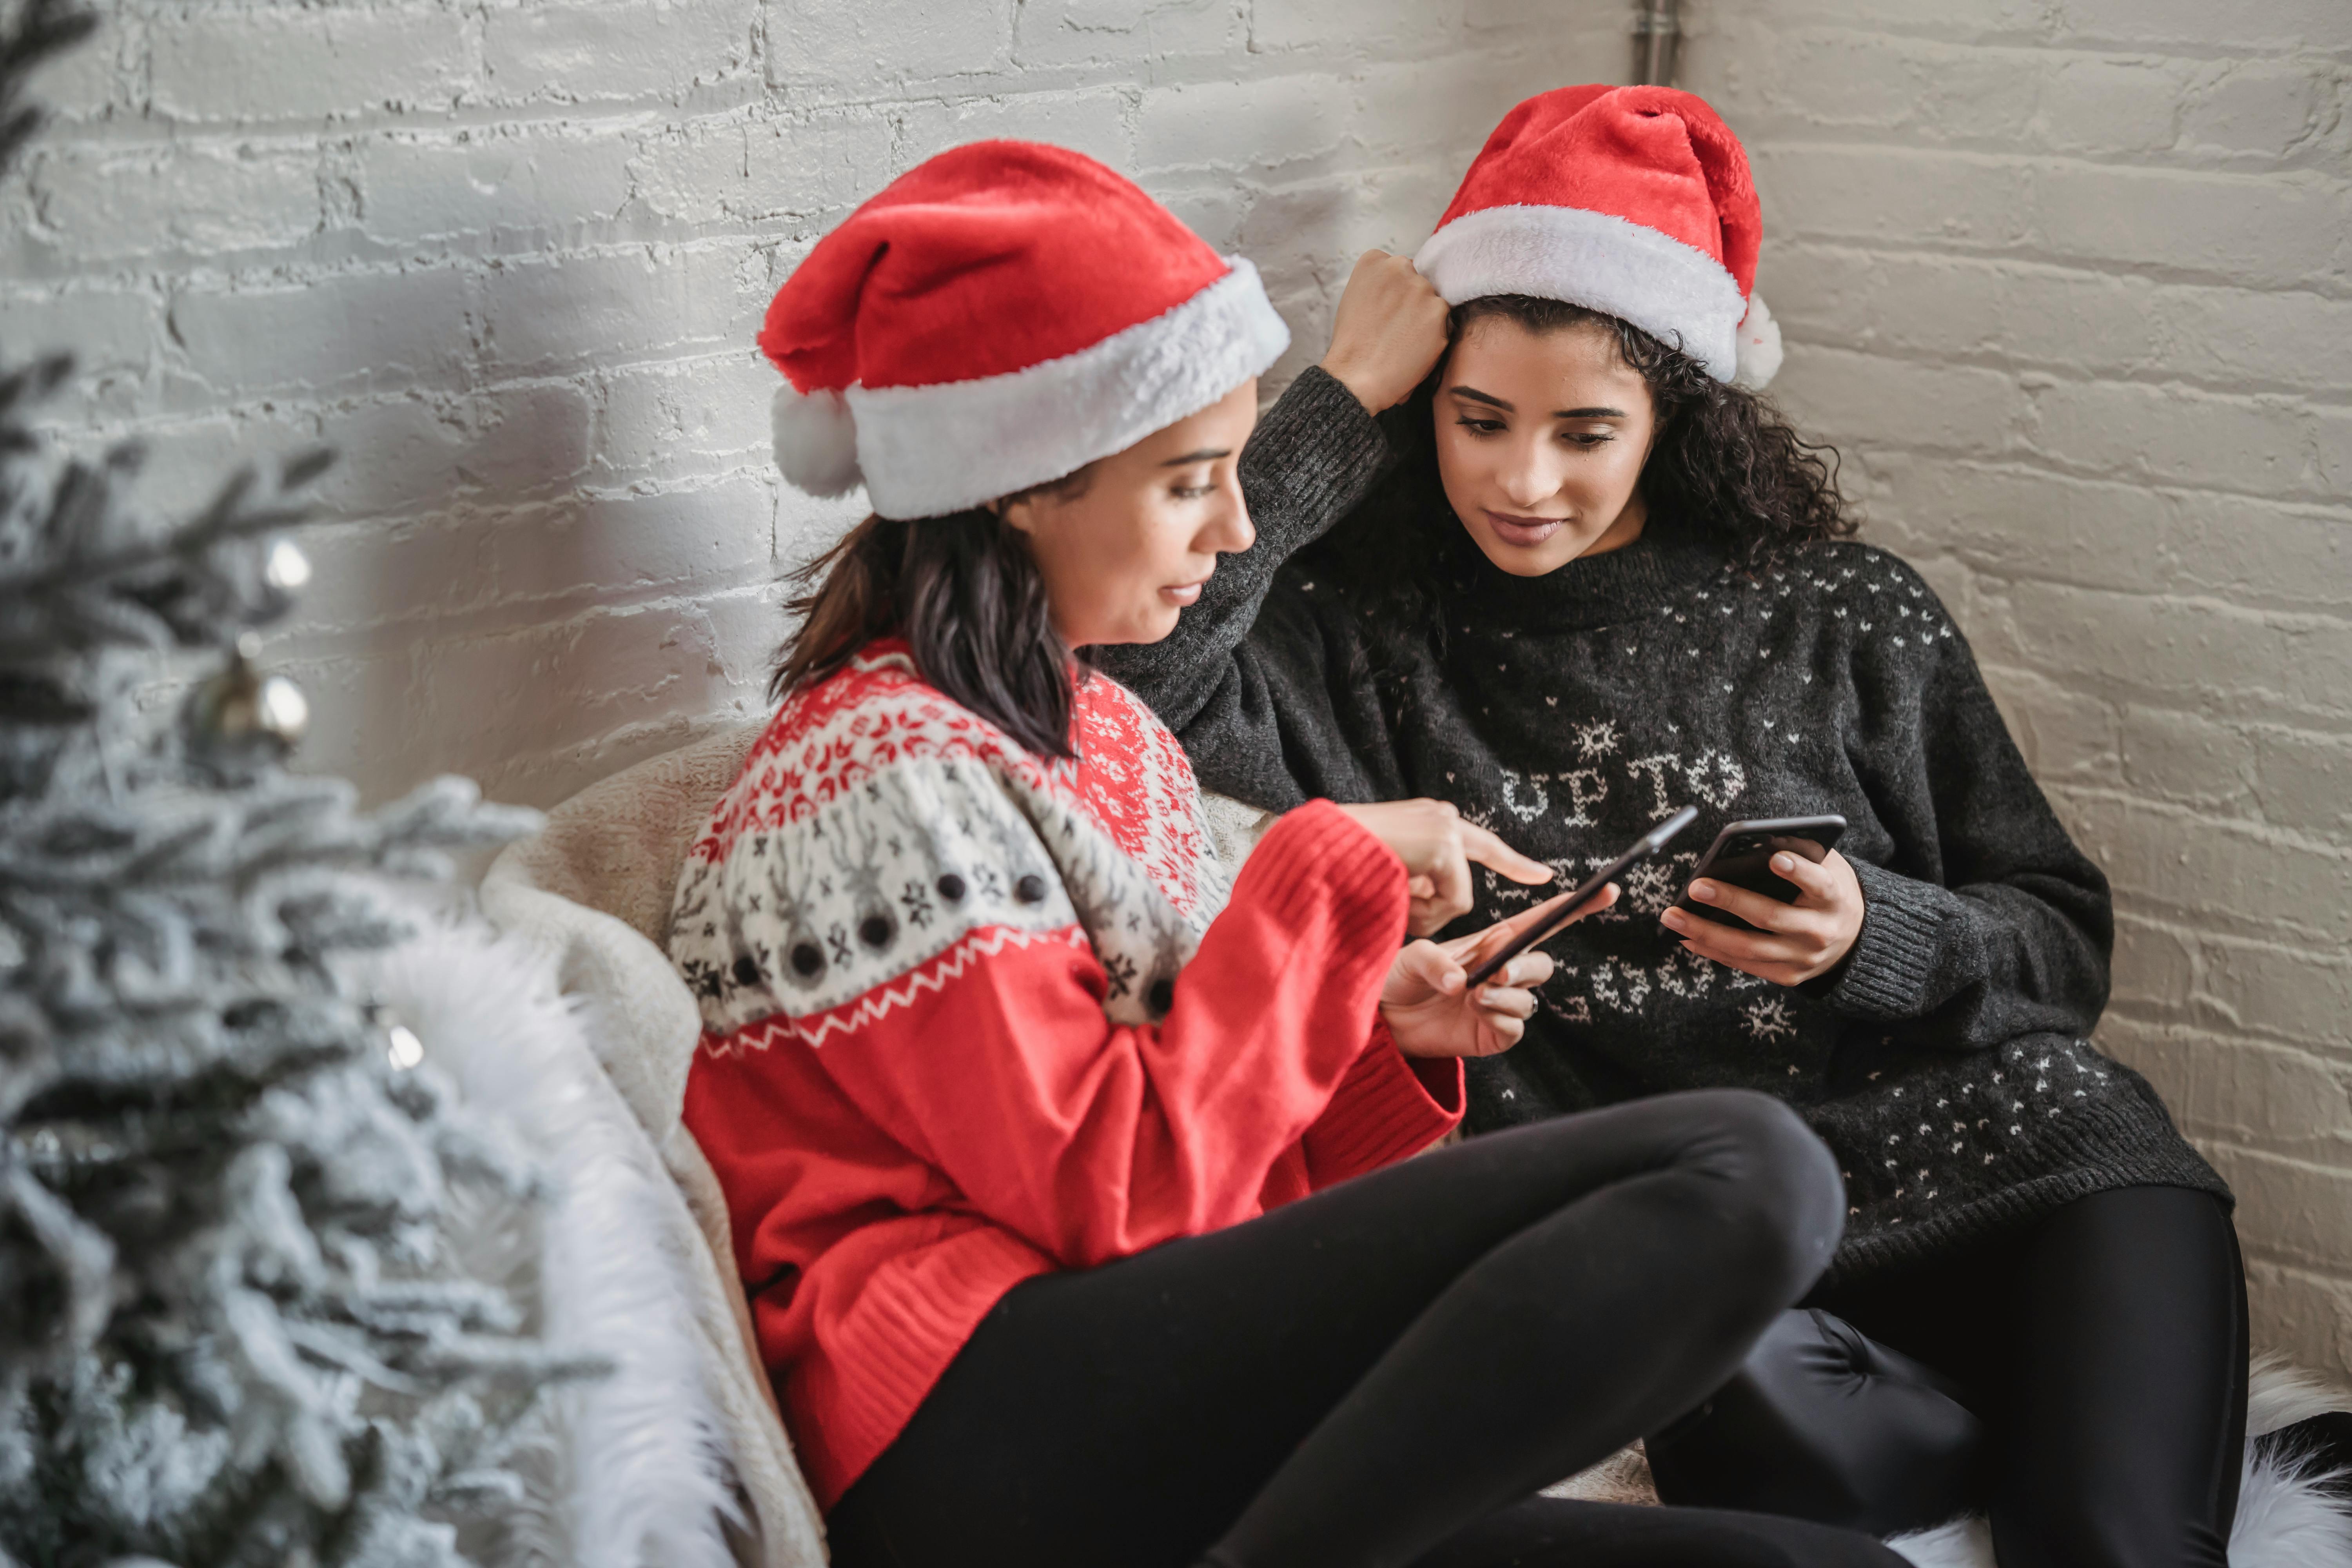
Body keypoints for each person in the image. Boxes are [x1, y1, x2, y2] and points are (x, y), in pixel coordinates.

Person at [668, 140, 1911, 1568]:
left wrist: (1373, 1039)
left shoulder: (1104, 737)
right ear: (1018, 484)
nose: (1241, 526)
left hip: (1146, 1390)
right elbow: (1124, 1201)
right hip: (970, 1417)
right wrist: (1315, 874)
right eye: (1193, 479)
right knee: (1746, 1171)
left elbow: (1223, 1173)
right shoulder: (876, 768)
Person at [1093, 85, 2246, 1568]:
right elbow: (1124, 679)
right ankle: (1997, 1422)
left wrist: (1871, 935)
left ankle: (2080, 1440)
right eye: (1476, 420)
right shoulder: (1352, 635)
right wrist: (1337, 404)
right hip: (1682, 1220)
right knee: (1788, 1448)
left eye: (1585, 433)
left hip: (1977, 1155)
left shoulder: (1844, 611)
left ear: (1675, 419)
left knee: (2125, 1523)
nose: (1524, 480)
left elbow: (2060, 942)